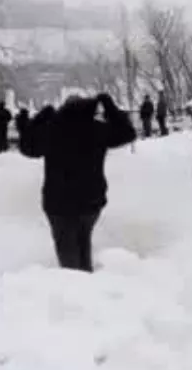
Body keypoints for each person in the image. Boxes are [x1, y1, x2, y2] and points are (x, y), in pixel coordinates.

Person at [22, 93, 136, 272]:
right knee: (83, 241)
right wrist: (109, 105)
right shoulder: (97, 129)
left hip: (58, 203)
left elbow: (27, 146)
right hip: (91, 201)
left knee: (67, 251)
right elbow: (128, 133)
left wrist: (43, 114)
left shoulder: (53, 129)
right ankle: (86, 279)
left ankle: (76, 288)